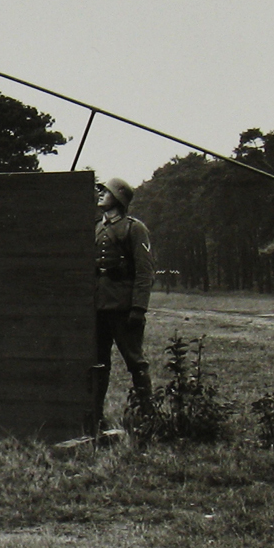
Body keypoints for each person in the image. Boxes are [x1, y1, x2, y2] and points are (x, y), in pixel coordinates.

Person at [92, 176, 155, 429]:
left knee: (135, 362)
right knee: (97, 363)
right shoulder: (96, 228)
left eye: (105, 192)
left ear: (117, 198)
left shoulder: (134, 228)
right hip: (98, 308)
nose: (100, 195)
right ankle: (95, 418)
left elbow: (145, 271)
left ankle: (149, 417)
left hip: (124, 308)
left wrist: (138, 308)